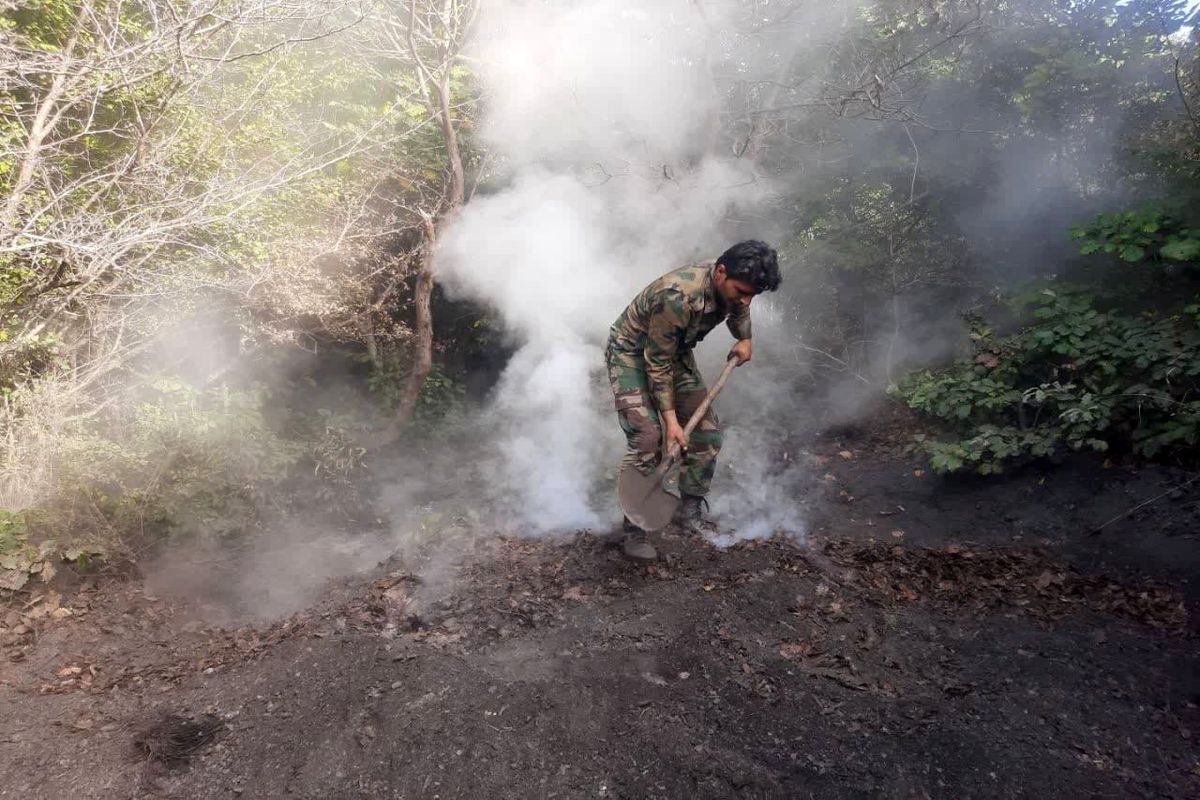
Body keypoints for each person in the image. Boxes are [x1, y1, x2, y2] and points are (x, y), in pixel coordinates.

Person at [605, 240, 782, 561]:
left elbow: (738, 311)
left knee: (706, 433)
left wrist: (745, 337)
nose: (745, 300)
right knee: (649, 437)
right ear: (720, 273)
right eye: (741, 291)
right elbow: (656, 364)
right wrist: (671, 422)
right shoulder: (677, 296)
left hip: (673, 353)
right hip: (631, 354)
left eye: (751, 295)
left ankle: (689, 511)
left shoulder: (735, 283)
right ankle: (634, 529)